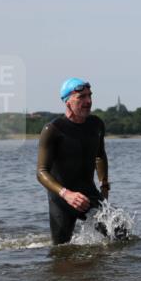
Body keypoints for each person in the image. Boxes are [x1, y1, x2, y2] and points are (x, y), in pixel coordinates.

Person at [36, 78, 112, 245]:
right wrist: (67, 194)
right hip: (61, 201)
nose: (88, 101)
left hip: (89, 195)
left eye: (90, 96)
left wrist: (104, 185)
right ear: (67, 101)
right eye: (82, 97)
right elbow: (41, 172)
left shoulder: (96, 124)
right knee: (61, 252)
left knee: (120, 235)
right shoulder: (53, 130)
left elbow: (100, 155)